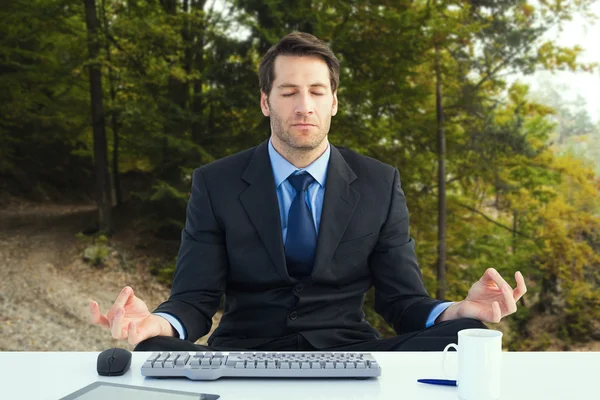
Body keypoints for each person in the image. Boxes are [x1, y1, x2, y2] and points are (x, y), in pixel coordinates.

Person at [89, 32, 527, 352]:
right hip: (246, 349)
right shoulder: (215, 182)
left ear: (334, 101)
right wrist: (156, 322)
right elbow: (195, 299)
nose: (305, 106)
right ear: (266, 102)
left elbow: (403, 302)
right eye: (289, 92)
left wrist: (461, 312)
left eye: (317, 91)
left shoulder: (379, 182)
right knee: (154, 348)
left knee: (462, 337)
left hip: (350, 349)